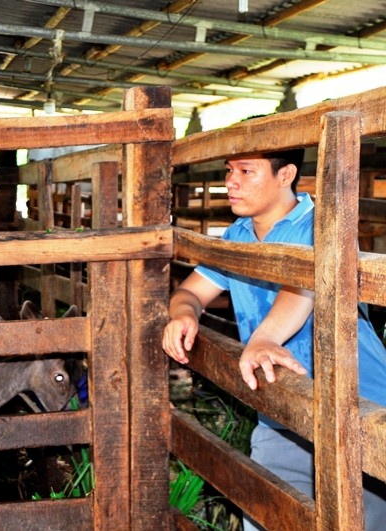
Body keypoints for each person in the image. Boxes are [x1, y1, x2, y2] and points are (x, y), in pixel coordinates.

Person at [162, 149, 386, 530]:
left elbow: (305, 287)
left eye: (247, 171)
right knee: (268, 513)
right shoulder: (237, 235)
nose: (231, 181)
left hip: (360, 409)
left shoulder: (320, 223)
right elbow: (190, 292)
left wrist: (265, 336)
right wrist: (184, 313)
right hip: (280, 412)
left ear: (286, 175)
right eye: (229, 170)